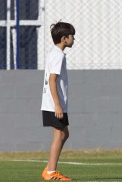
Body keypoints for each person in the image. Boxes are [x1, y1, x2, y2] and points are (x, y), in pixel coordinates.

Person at [41, 22, 75, 181]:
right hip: (53, 104)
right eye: (72, 36)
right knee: (60, 134)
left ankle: (49, 167)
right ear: (64, 38)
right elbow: (52, 80)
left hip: (52, 103)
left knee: (63, 133)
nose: (74, 39)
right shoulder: (58, 55)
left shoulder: (54, 53)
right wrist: (57, 104)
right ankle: (51, 171)